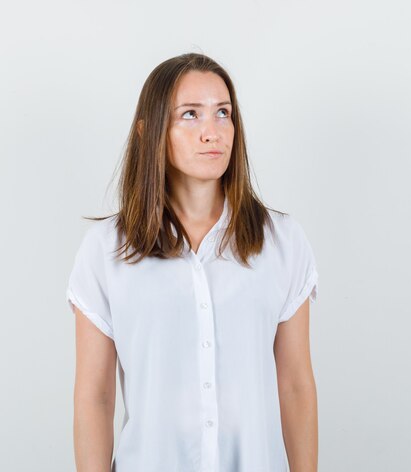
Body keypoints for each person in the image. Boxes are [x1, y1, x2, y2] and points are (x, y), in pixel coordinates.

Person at [66, 52, 319, 472]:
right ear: (150, 132)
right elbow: (96, 395)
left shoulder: (283, 242)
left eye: (223, 113)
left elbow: (294, 385)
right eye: (190, 115)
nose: (212, 132)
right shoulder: (105, 250)